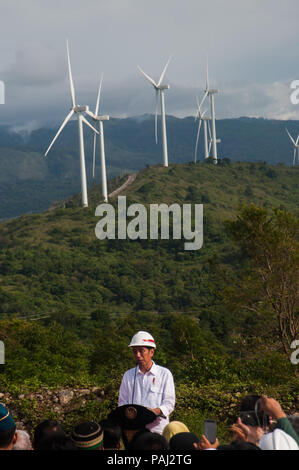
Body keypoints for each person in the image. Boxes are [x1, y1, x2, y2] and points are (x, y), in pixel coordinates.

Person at [118, 331, 175, 434]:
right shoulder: (128, 375)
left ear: (151, 352)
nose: (138, 355)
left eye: (141, 351)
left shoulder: (164, 374)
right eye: (135, 351)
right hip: (134, 431)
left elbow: (169, 404)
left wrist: (153, 412)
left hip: (158, 431)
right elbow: (122, 403)